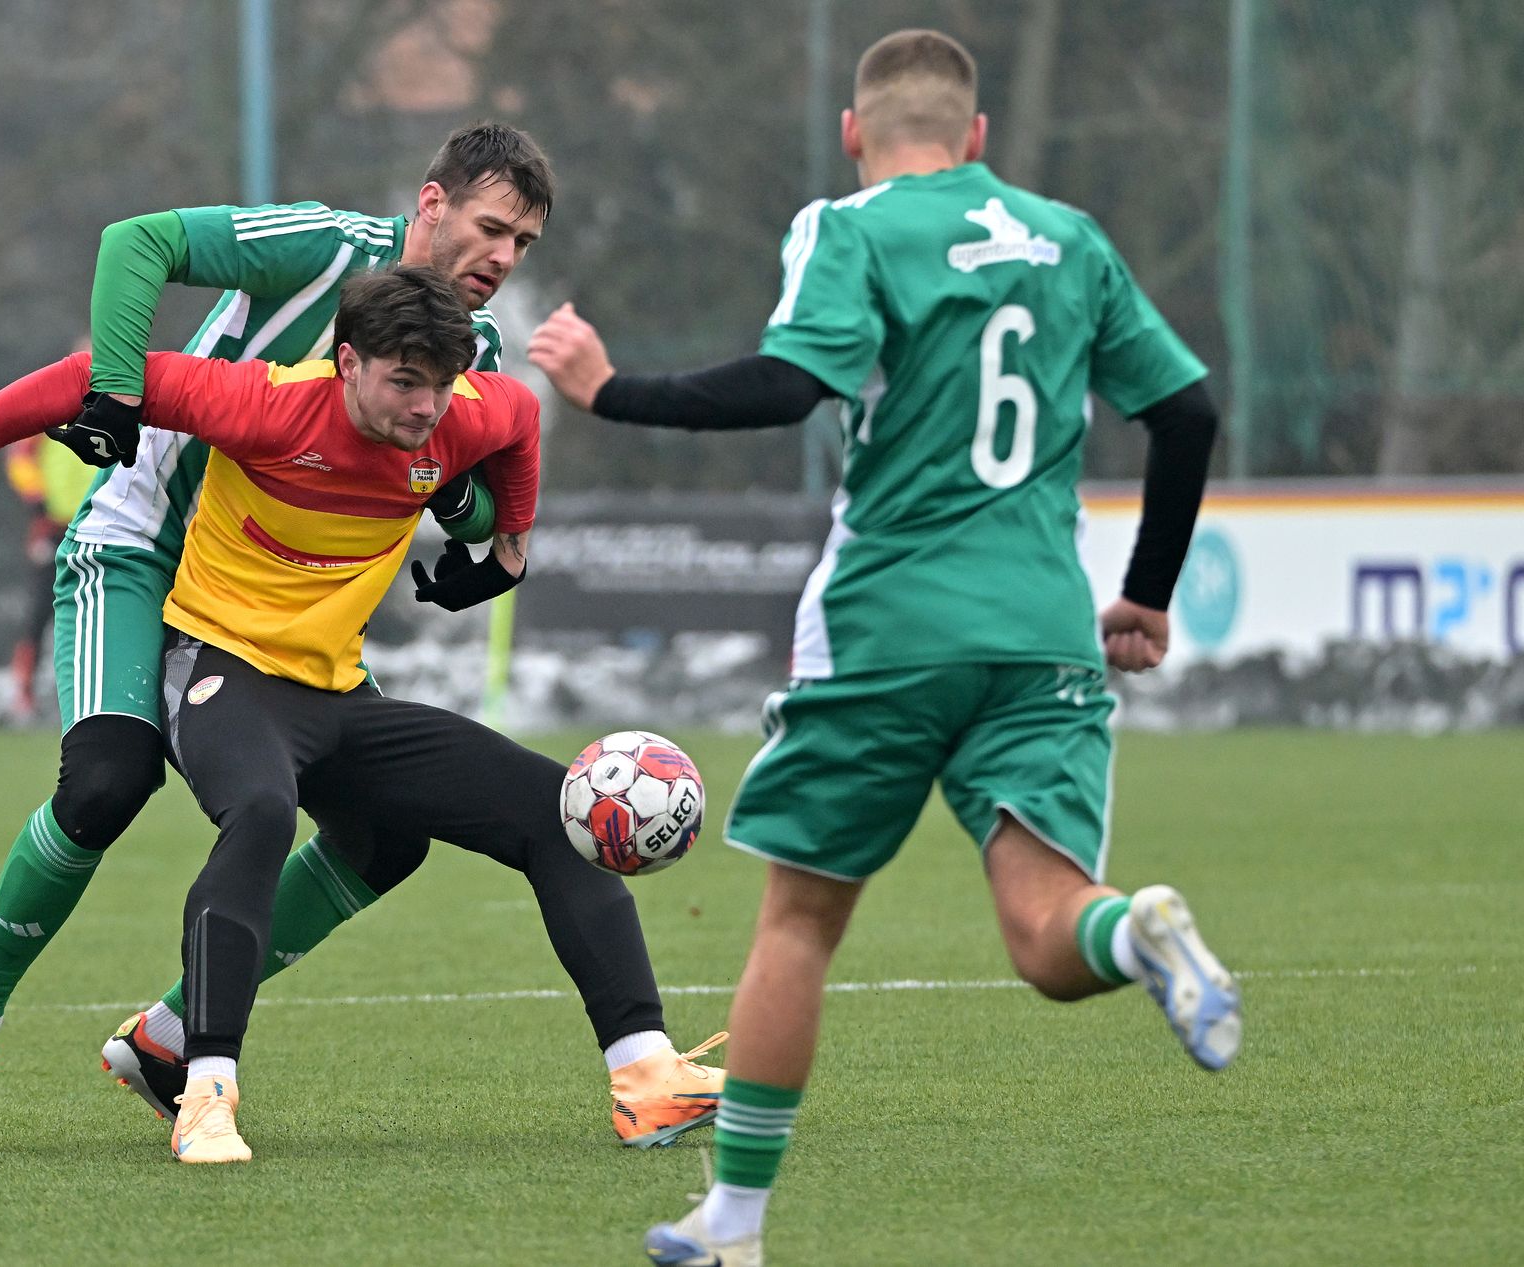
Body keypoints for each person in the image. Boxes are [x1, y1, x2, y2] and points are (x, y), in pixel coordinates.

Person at [527, 30, 1239, 1266]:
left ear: (854, 133)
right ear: (976, 138)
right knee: (1047, 932)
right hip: (1040, 626)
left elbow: (788, 384)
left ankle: (733, 1226)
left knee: (798, 925)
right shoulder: (1068, 238)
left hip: (888, 623)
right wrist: (1145, 593)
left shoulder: (846, 228)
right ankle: (1137, 931)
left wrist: (610, 390)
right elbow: (1184, 411)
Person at [0, 266, 727, 1165]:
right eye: (404, 381)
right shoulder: (266, 404)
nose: (426, 407)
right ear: (347, 363)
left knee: (556, 812)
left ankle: (646, 1076)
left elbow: (522, 416)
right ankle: (205, 1093)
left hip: (335, 694)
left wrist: (511, 546)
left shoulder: (461, 412)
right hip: (217, 672)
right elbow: (84, 378)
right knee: (260, 812)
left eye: (441, 384)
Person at [0, 123, 551, 1152]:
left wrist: (488, 531)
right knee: (105, 784)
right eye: (491, 227)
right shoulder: (326, 247)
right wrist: (62, 410)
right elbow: (136, 243)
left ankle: (166, 1037)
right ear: (431, 202)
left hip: (264, 607)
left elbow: (454, 486)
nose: (503, 258)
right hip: (140, 555)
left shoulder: (477, 351)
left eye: (523, 243)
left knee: (385, 838)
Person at [1, 428, 94, 720]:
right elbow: (19, 459)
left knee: (102, 607)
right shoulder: (49, 418)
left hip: (101, 525)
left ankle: (96, 690)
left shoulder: (113, 410)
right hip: (54, 528)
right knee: (39, 611)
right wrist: (37, 497)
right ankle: (24, 695)